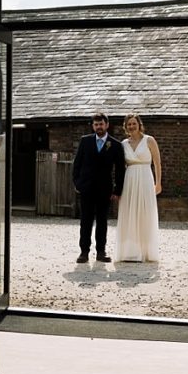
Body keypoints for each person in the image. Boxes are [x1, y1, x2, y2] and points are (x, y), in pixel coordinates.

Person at [72, 112, 125, 263]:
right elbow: (77, 164)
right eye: (96, 124)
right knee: (85, 221)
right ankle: (84, 252)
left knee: (102, 221)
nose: (98, 127)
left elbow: (120, 170)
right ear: (93, 126)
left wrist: (117, 190)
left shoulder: (115, 145)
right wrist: (77, 183)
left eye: (101, 124)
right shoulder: (85, 141)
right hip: (86, 188)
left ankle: (101, 252)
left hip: (104, 189)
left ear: (107, 125)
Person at [115, 114, 162, 262]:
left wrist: (158, 183)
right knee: (130, 213)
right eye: (129, 124)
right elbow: (120, 167)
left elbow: (157, 163)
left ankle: (146, 251)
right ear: (125, 127)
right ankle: (130, 251)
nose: (131, 126)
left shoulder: (149, 140)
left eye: (134, 123)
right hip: (129, 179)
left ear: (139, 124)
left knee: (145, 213)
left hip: (145, 178)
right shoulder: (123, 144)